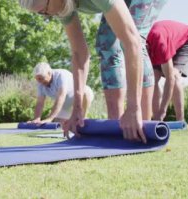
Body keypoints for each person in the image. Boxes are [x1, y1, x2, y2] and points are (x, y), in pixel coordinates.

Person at [18, 0, 167, 143]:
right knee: (106, 44)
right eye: (40, 13)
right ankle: (115, 123)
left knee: (134, 36)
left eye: (44, 9)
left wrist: (133, 107)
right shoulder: (61, 7)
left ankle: (143, 122)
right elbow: (79, 53)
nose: (46, 15)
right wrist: (77, 108)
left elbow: (131, 42)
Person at [147, 20, 188, 121]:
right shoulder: (141, 44)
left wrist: (163, 110)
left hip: (186, 39)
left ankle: (180, 120)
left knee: (174, 75)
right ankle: (156, 120)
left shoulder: (160, 43)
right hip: (166, 38)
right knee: (153, 78)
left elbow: (170, 79)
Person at [28, 62, 94, 125]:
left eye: (42, 79)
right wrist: (36, 119)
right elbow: (40, 103)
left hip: (79, 99)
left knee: (86, 92)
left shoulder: (61, 75)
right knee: (60, 125)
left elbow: (60, 98)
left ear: (49, 73)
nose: (40, 82)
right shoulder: (40, 82)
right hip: (65, 104)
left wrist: (50, 119)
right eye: (38, 79)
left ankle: (83, 118)